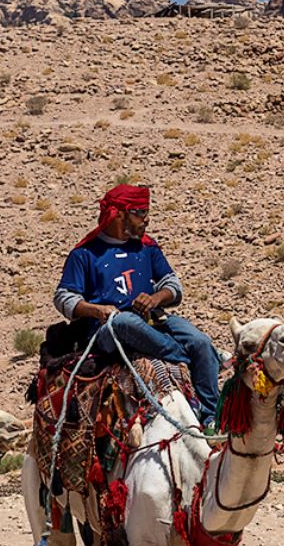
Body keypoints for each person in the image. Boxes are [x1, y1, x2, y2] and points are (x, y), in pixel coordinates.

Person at [53, 183, 221, 427]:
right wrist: (97, 310)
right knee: (124, 322)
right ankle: (187, 358)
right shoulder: (85, 254)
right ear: (120, 214)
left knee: (201, 342)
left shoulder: (147, 247)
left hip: (153, 319)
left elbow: (172, 285)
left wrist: (155, 298)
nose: (147, 219)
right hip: (107, 329)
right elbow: (64, 297)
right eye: (141, 212)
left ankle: (211, 415)